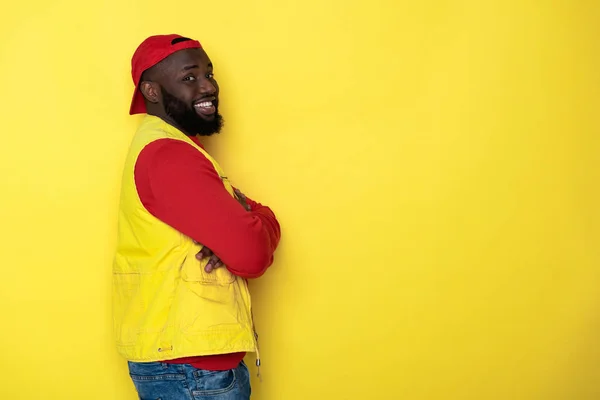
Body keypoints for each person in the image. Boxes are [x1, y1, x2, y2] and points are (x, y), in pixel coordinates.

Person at [113, 34, 281, 400]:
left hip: (184, 362)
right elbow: (251, 253)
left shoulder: (173, 148)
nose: (208, 85)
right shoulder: (169, 156)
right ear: (152, 91)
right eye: (189, 77)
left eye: (209, 73)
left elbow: (250, 232)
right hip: (193, 372)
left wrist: (251, 223)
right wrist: (253, 224)